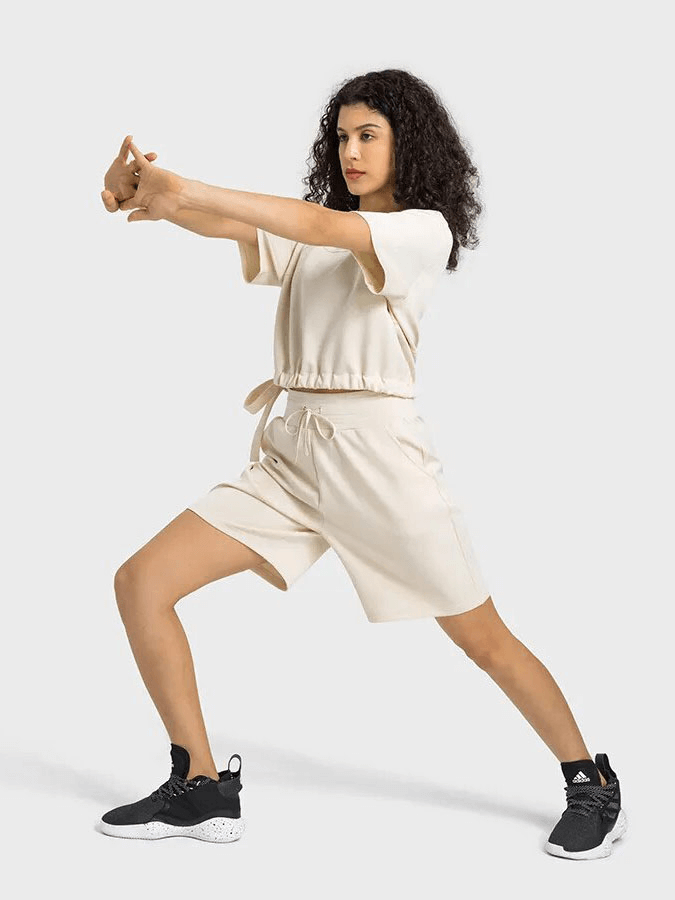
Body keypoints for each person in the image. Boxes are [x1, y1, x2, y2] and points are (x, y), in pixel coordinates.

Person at [98, 69, 626, 858]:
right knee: (141, 581)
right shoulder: (317, 233)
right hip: (290, 455)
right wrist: (138, 192)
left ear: (406, 142)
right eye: (342, 136)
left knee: (482, 638)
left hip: (378, 460)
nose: (349, 150)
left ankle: (590, 780)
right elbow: (204, 217)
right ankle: (201, 785)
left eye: (367, 135)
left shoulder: (420, 230)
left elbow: (314, 228)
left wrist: (193, 185)